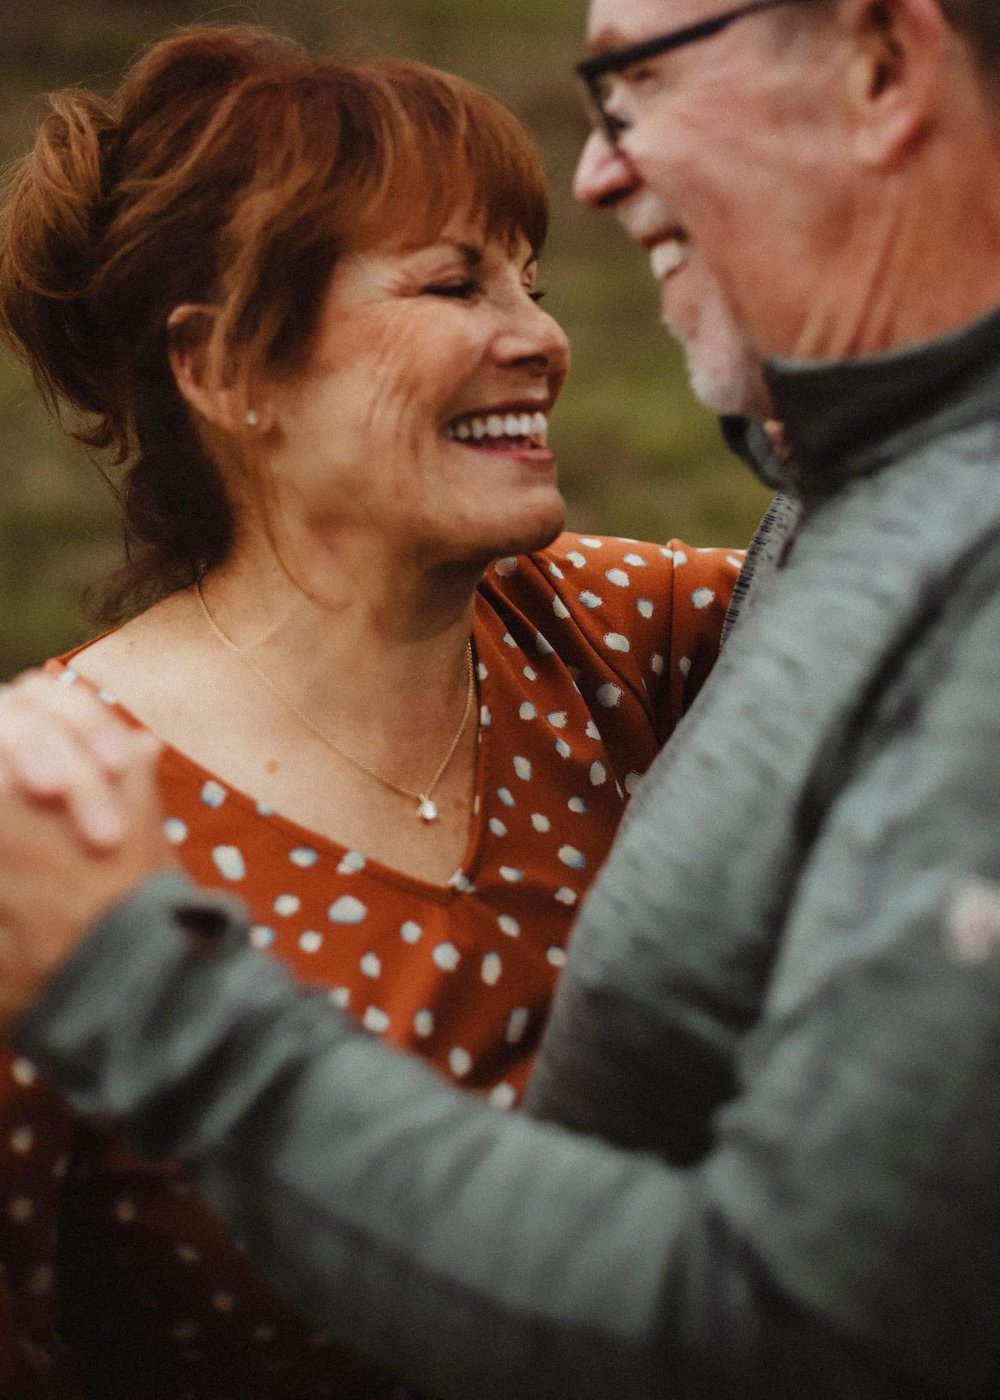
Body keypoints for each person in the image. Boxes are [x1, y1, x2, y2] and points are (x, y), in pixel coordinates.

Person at [4, 0, 1000, 1396]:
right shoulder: (51, 821)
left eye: (529, 281)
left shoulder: (594, 630)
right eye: (456, 287)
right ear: (223, 365)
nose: (544, 336)